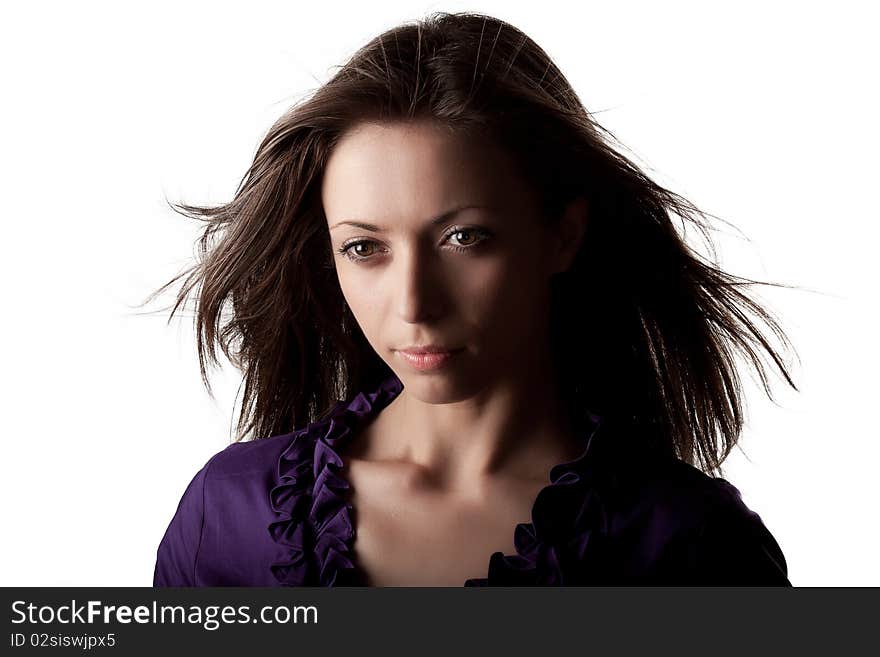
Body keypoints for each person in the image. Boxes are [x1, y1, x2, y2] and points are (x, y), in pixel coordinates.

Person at [150, 12, 796, 587]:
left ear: (562, 235)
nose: (414, 303)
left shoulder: (690, 545)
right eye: (364, 247)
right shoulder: (232, 513)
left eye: (464, 238)